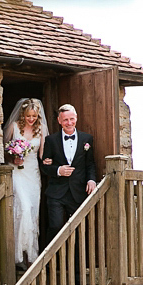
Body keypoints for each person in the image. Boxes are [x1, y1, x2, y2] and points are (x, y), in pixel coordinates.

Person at [2, 98, 48, 270]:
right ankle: (17, 255)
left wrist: (50, 161)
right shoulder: (14, 127)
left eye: (34, 116)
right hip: (17, 172)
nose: (31, 119)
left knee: (33, 212)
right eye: (28, 116)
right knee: (23, 208)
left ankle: (31, 254)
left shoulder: (42, 129)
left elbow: (42, 154)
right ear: (23, 114)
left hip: (33, 173)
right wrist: (13, 157)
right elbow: (3, 149)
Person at [41, 104, 97, 243]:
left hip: (78, 192)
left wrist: (91, 180)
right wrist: (58, 170)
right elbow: (45, 166)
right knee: (55, 226)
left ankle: (77, 264)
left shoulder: (87, 139)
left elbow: (90, 163)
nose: (69, 123)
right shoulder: (51, 140)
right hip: (56, 193)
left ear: (76, 118)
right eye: (65, 120)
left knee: (79, 228)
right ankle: (51, 263)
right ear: (59, 121)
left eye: (72, 119)